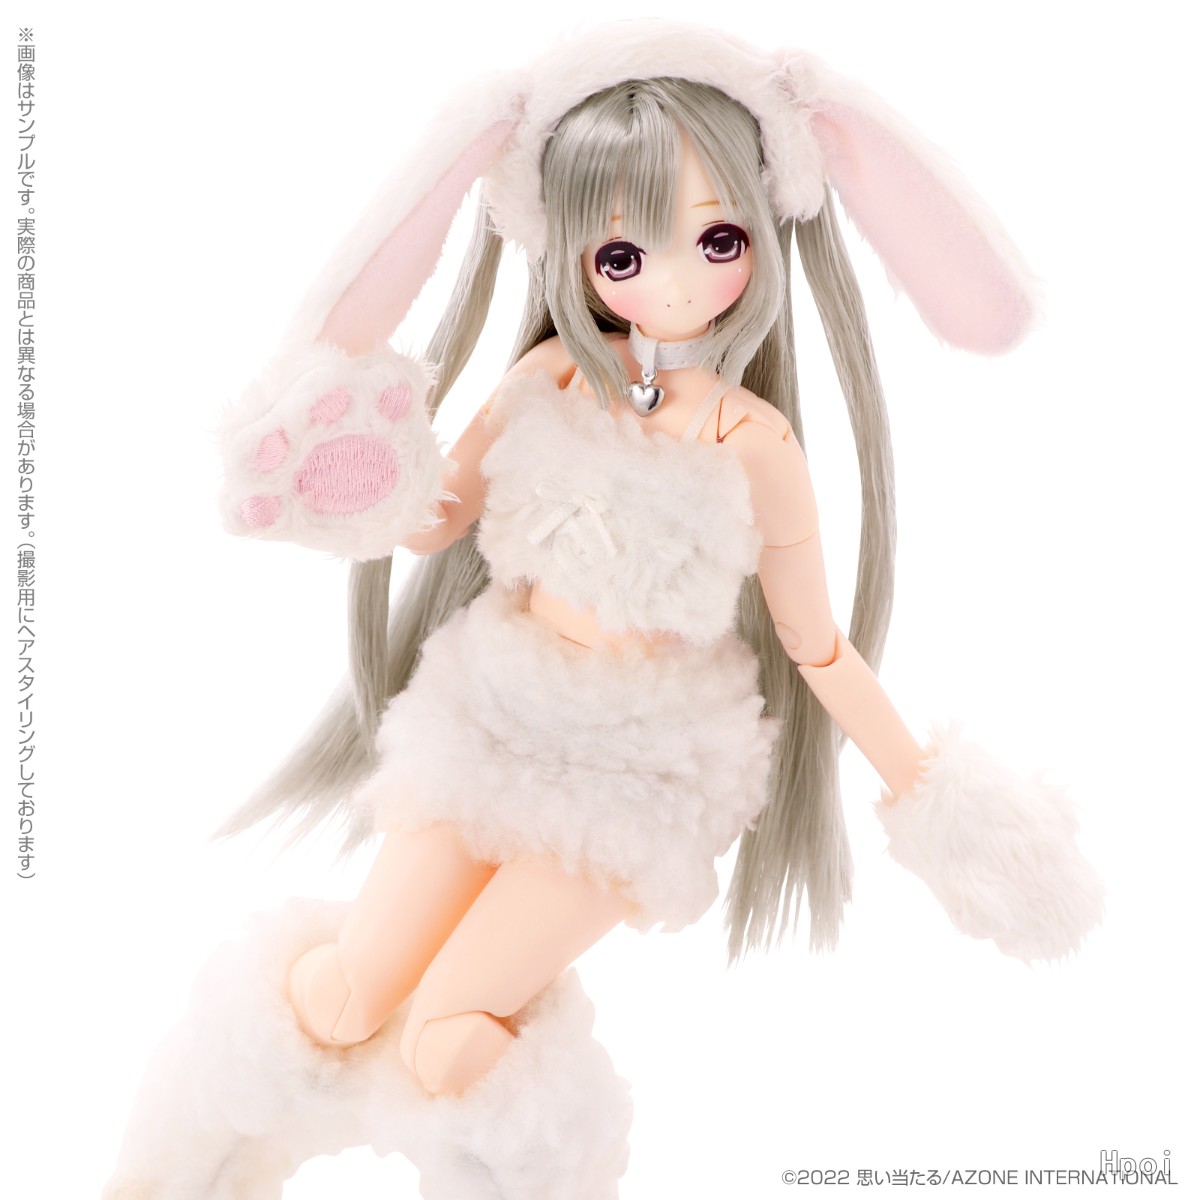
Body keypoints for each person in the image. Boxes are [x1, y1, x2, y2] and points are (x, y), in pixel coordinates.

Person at [105, 24, 1101, 1200]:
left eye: (718, 239)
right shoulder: (546, 381)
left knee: (447, 1038)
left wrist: (945, 806)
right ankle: (194, 1164)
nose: (672, 281)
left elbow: (816, 645)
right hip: (491, 714)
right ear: (574, 255)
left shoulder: (752, 442)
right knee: (342, 997)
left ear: (761, 233)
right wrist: (351, 472)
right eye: (622, 252)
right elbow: (433, 518)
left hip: (639, 773)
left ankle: (542, 1170)